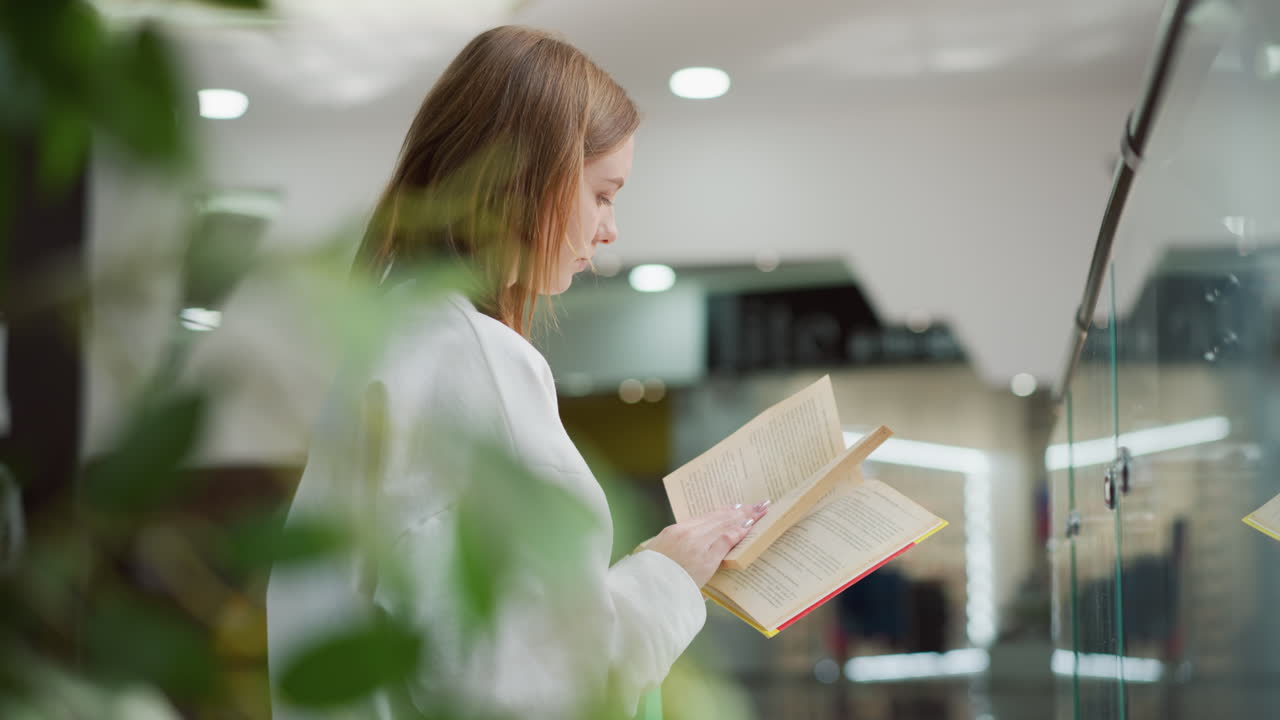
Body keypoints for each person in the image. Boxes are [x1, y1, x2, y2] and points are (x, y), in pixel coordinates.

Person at [266, 25, 769, 720]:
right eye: (602, 192)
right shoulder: (470, 359)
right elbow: (529, 682)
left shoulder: (400, 342)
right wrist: (668, 578)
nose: (610, 228)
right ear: (529, 178)